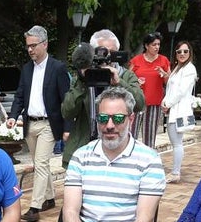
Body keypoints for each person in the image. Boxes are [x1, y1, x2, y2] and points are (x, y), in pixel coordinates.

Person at [58, 86, 164, 222]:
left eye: (118, 118)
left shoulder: (149, 160)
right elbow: (69, 211)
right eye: (103, 118)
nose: (109, 126)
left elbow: (144, 220)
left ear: (131, 119)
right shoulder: (81, 155)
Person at [7, 25, 71, 222]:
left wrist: (67, 127)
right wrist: (13, 115)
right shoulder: (27, 69)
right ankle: (50, 198)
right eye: (28, 46)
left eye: (33, 45)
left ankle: (35, 207)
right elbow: (19, 95)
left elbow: (66, 100)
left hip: (49, 124)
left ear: (45, 44)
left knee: (41, 164)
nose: (30, 49)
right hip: (30, 124)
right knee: (39, 164)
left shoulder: (58, 68)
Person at [60, 29, 145, 167]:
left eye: (110, 53)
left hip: (116, 146)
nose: (105, 57)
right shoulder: (81, 79)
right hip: (85, 146)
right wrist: (83, 81)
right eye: (100, 52)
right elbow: (67, 112)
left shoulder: (126, 76)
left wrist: (119, 82)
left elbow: (140, 104)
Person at [161, 41, 197, 184]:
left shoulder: (189, 69)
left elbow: (181, 91)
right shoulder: (177, 69)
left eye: (185, 51)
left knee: (177, 142)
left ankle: (176, 172)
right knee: (176, 141)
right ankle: (175, 171)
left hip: (179, 110)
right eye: (179, 51)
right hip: (173, 109)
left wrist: (168, 104)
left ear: (190, 53)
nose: (182, 54)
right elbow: (171, 89)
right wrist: (165, 102)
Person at [129, 32, 170, 148]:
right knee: (131, 134)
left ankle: (147, 161)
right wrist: (136, 82)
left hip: (154, 105)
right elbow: (127, 80)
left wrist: (164, 74)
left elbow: (170, 83)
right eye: (154, 44)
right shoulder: (136, 60)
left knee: (150, 137)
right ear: (146, 46)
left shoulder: (164, 61)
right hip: (136, 103)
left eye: (158, 44)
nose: (157, 47)